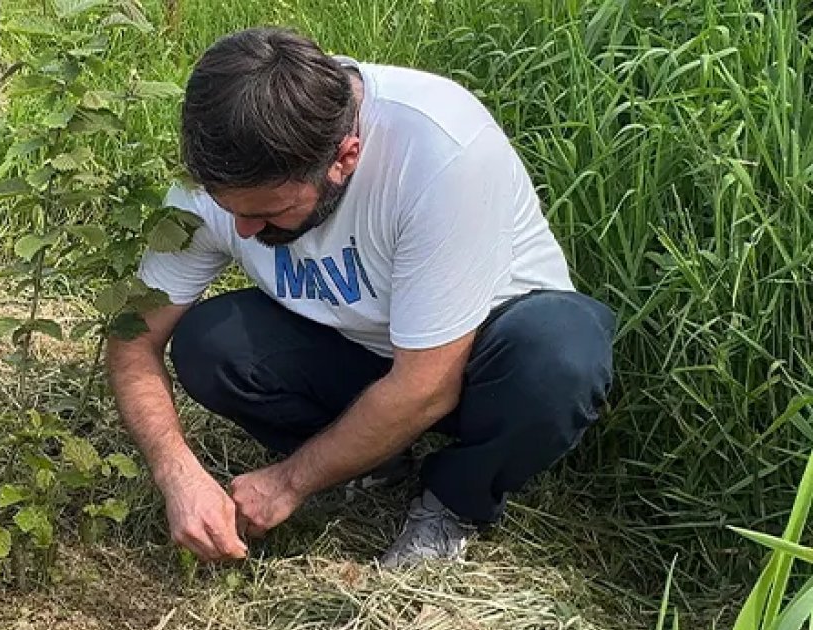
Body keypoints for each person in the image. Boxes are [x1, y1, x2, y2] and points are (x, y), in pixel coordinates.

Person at [104, 26, 616, 568]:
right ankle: (375, 461)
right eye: (230, 210)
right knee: (210, 345)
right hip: (364, 350)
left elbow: (428, 385)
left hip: (481, 360)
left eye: (270, 213)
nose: (245, 231)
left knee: (560, 360)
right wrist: (177, 472)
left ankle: (456, 498)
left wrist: (287, 483)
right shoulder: (214, 184)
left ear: (345, 158)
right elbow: (132, 340)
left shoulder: (439, 151)